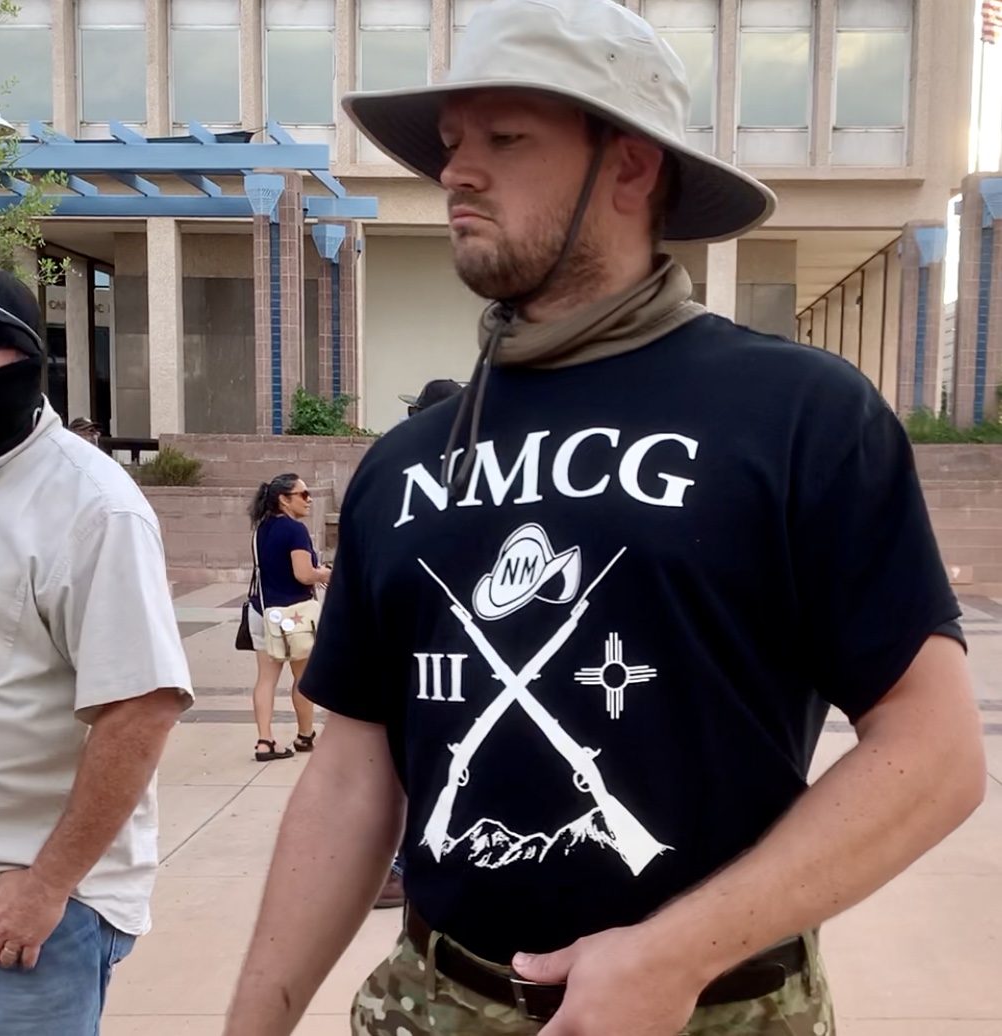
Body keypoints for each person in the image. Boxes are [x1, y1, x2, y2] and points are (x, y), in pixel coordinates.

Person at [223, 2, 987, 1035]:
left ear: (629, 169)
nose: (457, 172)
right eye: (451, 144)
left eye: (505, 138)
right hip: (432, 1004)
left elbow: (933, 752)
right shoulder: (406, 461)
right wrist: (251, 1023)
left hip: (713, 1012)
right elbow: (352, 777)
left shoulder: (798, 414)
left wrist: (677, 948)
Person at [0, 261, 193, 1035]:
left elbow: (141, 708)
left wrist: (48, 882)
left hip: (21, 905)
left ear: (29, 361)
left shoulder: (93, 506)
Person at [377, 377, 465, 910]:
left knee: (421, 763)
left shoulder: (411, 478)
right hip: (435, 642)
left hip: (434, 645)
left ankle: (404, 864)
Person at [246, 473, 331, 762]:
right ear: (284, 499)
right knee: (302, 677)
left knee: (266, 680)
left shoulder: (261, 529)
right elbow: (303, 574)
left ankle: (264, 741)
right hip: (293, 616)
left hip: (262, 611)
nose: (309, 500)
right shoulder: (295, 531)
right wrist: (328, 574)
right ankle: (304, 736)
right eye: (303, 495)